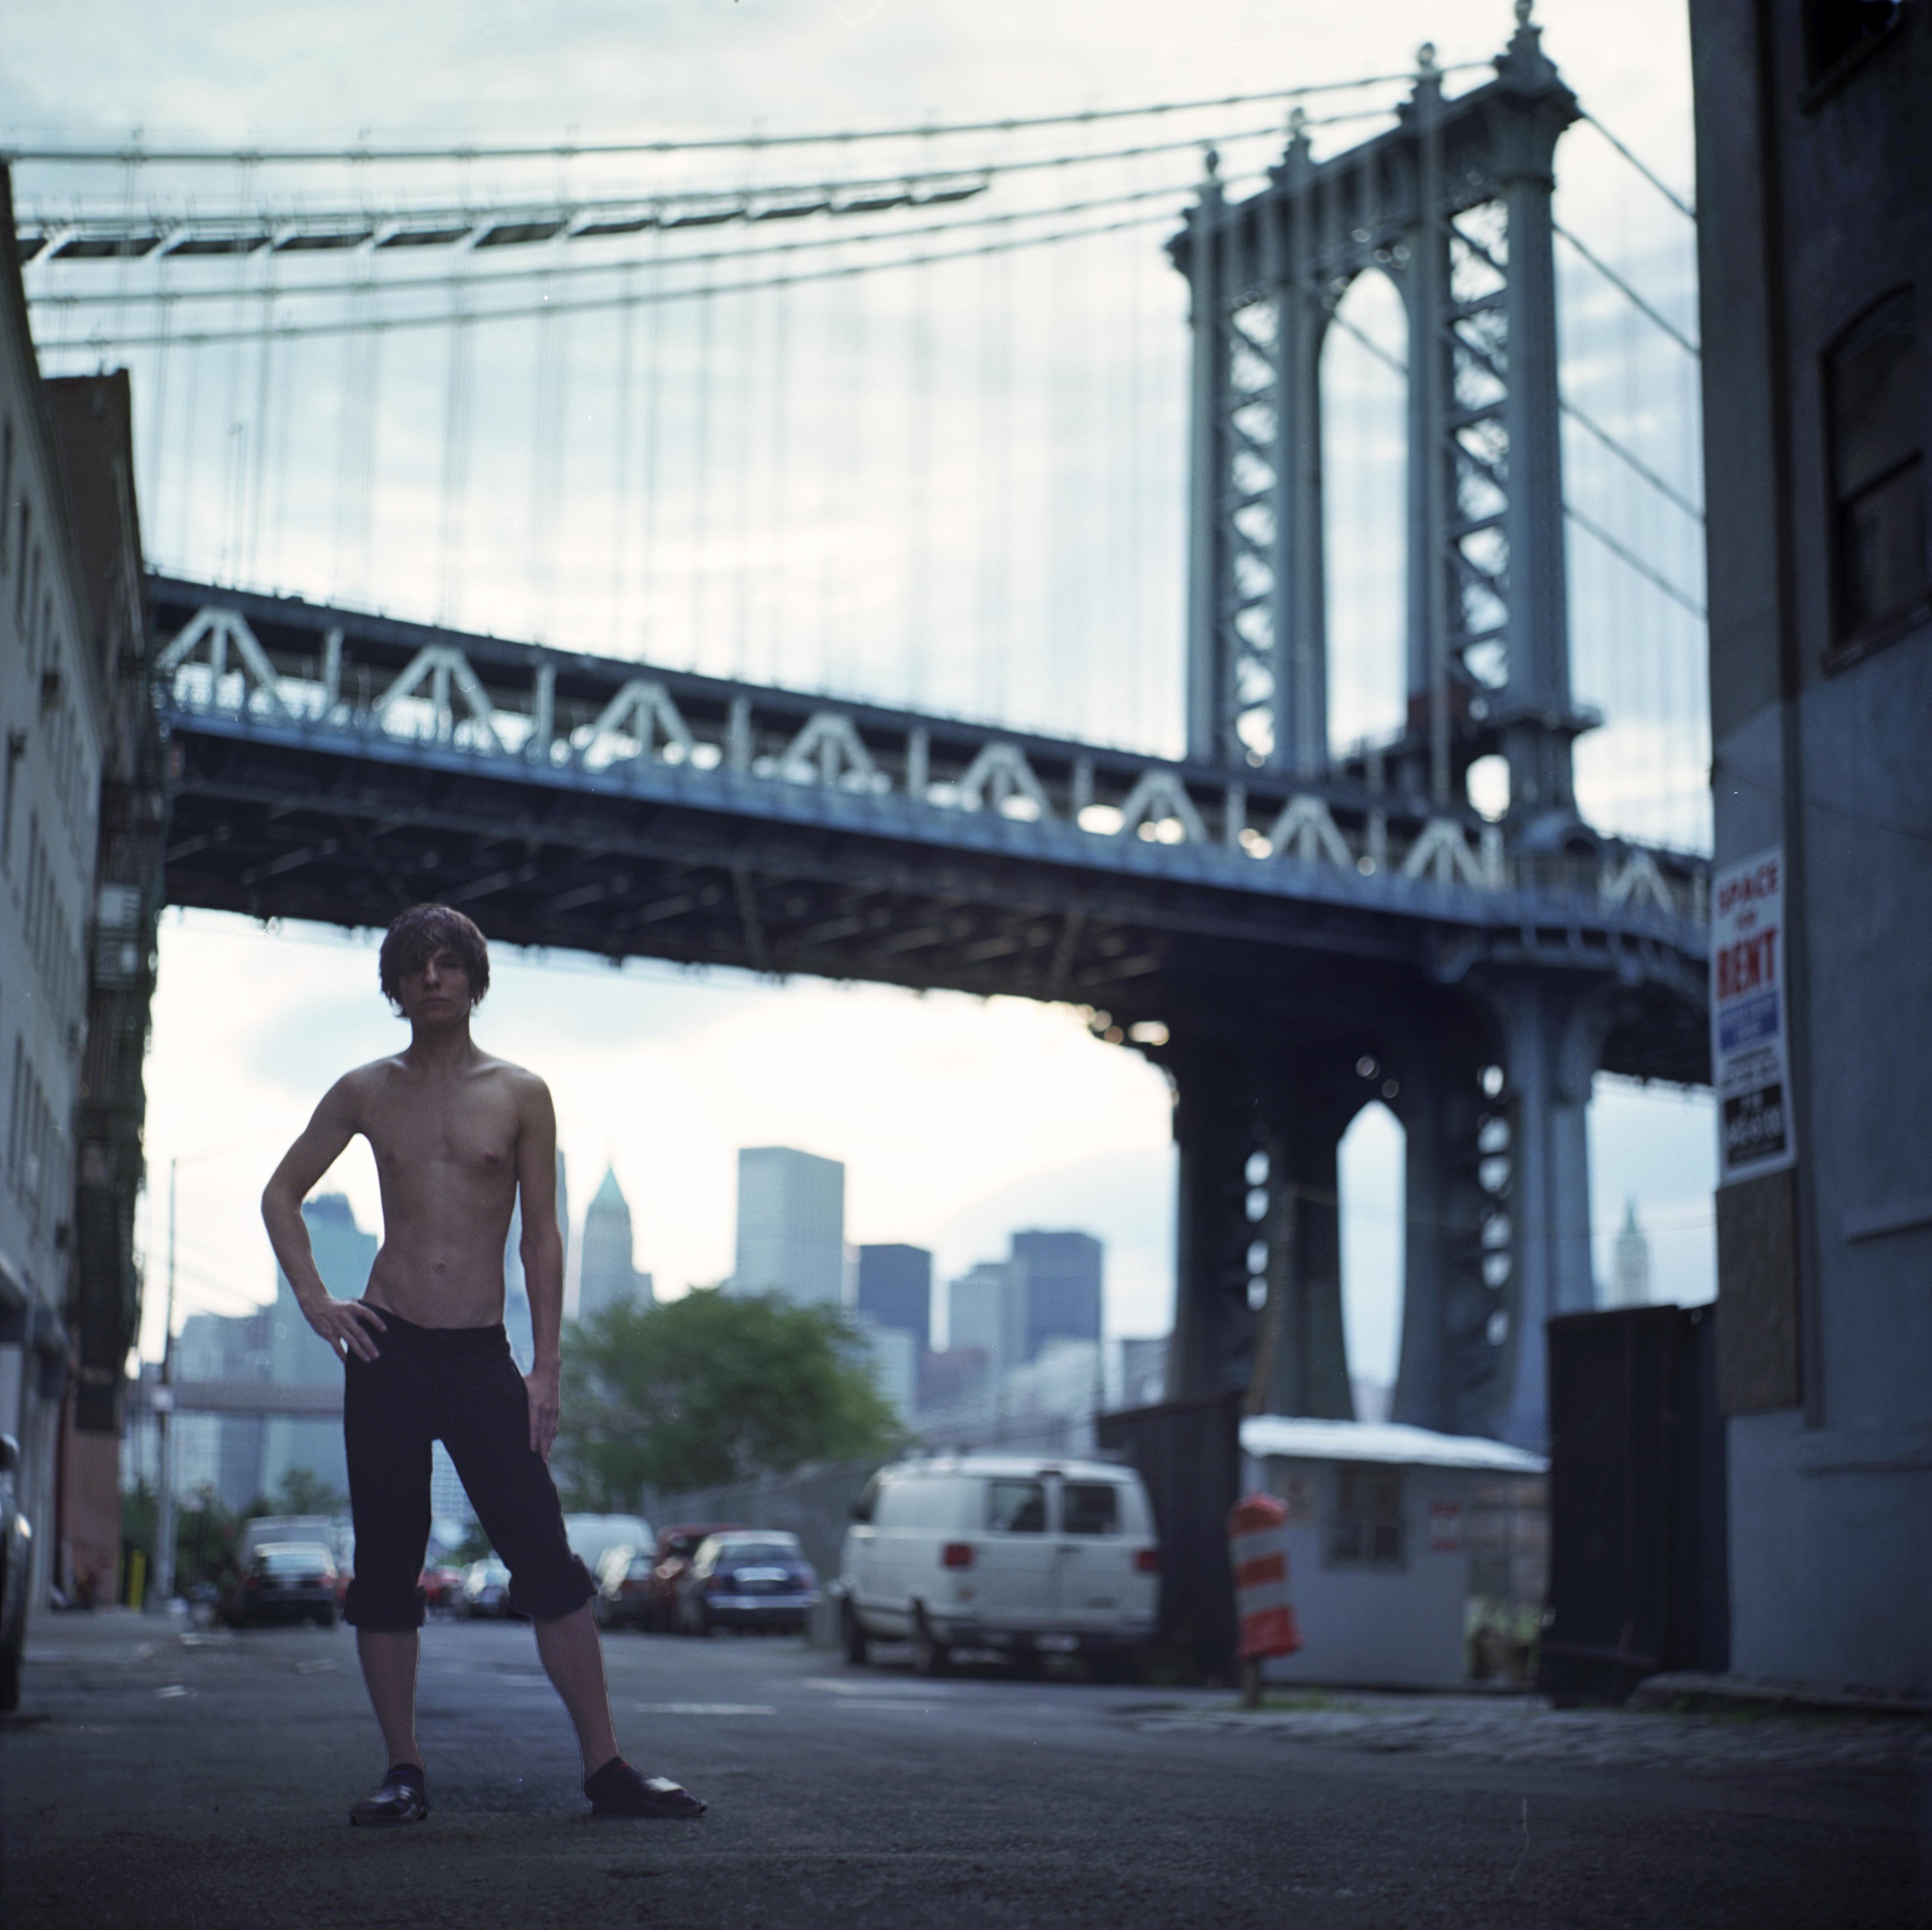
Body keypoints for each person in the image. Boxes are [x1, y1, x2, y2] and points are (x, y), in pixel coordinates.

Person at [260, 903, 705, 1828]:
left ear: (473, 978)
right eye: (415, 965)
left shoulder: (519, 1092)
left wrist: (546, 1369)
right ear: (394, 985)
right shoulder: (364, 1091)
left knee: (544, 1553)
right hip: (385, 1343)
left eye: (448, 962)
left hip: (479, 1355)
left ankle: (608, 1768)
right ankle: (404, 1772)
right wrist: (316, 1300)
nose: (433, 977)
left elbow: (542, 1238)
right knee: (388, 1558)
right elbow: (281, 1194)